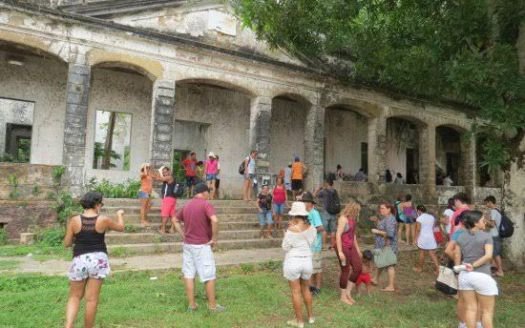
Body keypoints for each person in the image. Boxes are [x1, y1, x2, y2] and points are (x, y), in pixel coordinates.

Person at [64, 192, 125, 328]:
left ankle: (68, 326)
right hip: (98, 260)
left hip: (79, 260)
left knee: (74, 296)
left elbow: (67, 243)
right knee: (91, 300)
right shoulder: (103, 219)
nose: (101, 207)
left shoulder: (74, 220)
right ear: (96, 204)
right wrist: (120, 215)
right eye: (101, 204)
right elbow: (121, 228)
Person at [174, 183, 225, 312]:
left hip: (188, 245)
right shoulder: (205, 204)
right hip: (201, 245)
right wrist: (214, 238)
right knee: (209, 275)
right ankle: (212, 306)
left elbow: (174, 219)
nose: (209, 195)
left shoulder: (187, 205)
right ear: (204, 192)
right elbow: (215, 220)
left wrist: (183, 234)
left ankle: (192, 305)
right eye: (209, 192)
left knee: (189, 273)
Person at [454, 211, 498, 328]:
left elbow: (457, 255)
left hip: (465, 275)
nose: (485, 222)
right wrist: (473, 265)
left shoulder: (461, 236)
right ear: (475, 223)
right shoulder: (486, 235)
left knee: (470, 309)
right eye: (483, 220)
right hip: (481, 275)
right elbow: (488, 256)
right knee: (487, 312)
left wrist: (458, 272)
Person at [282, 201, 317, 328]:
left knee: (296, 292)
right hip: (307, 261)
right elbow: (312, 243)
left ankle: (299, 321)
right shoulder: (312, 228)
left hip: (293, 261)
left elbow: (285, 247)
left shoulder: (290, 230)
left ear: (294, 216)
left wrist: (286, 232)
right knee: (306, 289)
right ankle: (311, 317)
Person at [335, 200, 363, 304]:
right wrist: (340, 251)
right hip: (343, 246)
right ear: (352, 209)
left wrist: (358, 249)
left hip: (351, 246)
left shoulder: (353, 219)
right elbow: (338, 234)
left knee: (358, 268)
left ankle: (348, 292)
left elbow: (353, 235)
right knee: (345, 271)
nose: (358, 213)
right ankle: (343, 296)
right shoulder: (343, 219)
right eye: (357, 211)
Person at [301, 192, 325, 296]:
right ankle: (311, 287)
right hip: (307, 246)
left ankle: (318, 287)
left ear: (310, 203)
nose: (303, 204)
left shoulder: (314, 213)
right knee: (309, 268)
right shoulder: (305, 214)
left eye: (305, 202)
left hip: (315, 245)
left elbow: (321, 228)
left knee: (317, 268)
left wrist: (309, 231)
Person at [371, 201, 398, 292]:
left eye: (383, 208)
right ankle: (375, 279)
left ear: (389, 209)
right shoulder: (386, 218)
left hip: (388, 246)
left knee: (390, 265)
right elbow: (383, 228)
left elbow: (390, 234)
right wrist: (377, 222)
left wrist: (377, 231)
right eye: (380, 208)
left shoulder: (390, 219)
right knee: (381, 263)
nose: (380, 210)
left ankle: (391, 286)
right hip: (382, 245)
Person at [413, 205, 440, 274]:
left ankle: (420, 268)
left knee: (422, 252)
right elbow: (432, 227)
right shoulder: (432, 217)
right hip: (431, 237)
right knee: (432, 253)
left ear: (419, 210)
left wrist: (415, 239)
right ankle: (438, 269)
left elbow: (418, 230)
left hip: (423, 237)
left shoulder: (419, 218)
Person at [483, 196, 504, 277]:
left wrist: (484, 220)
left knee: (496, 254)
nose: (486, 205)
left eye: (486, 203)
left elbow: (492, 224)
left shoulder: (493, 211)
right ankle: (494, 267)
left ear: (490, 202)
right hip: (496, 234)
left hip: (494, 235)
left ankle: (500, 271)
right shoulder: (498, 210)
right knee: (494, 253)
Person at [314, 179, 338, 249]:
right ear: (332, 184)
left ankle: (323, 246)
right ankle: (333, 246)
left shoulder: (323, 191)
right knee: (333, 230)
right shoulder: (335, 191)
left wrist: (317, 189)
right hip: (333, 212)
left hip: (325, 212)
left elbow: (314, 195)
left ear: (327, 183)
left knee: (324, 230)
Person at [157, 166, 179, 234]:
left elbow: (158, 178)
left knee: (165, 214)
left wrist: (158, 171)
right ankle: (172, 229)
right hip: (173, 199)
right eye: (163, 172)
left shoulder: (169, 177)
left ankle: (163, 229)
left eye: (165, 171)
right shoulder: (171, 178)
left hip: (168, 199)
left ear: (169, 171)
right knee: (173, 215)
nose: (164, 173)